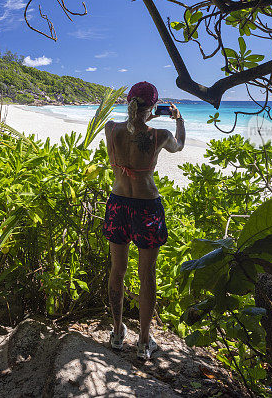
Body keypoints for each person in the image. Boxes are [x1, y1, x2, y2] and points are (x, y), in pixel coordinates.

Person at [103, 81, 184, 360]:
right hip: (146, 207)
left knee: (118, 269)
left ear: (129, 102)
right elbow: (180, 145)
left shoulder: (111, 129)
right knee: (146, 274)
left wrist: (143, 115)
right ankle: (144, 341)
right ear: (153, 107)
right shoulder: (159, 135)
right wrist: (179, 119)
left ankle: (116, 333)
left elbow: (129, 127)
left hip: (118, 203)